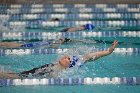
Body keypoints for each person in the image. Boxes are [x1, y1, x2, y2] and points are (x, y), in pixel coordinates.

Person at [0, 40, 118, 79]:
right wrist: (107, 51)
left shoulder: (58, 72)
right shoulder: (53, 67)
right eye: (67, 57)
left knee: (20, 76)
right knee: (22, 74)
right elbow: (89, 56)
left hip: (45, 72)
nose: (66, 57)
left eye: (68, 59)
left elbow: (89, 57)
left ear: (69, 66)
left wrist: (108, 52)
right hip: (45, 68)